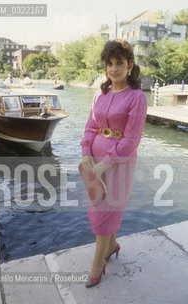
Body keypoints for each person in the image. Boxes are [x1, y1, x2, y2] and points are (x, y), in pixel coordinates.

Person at [80, 39, 148, 288]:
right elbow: (91, 127)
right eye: (109, 64)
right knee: (100, 204)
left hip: (118, 163)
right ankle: (113, 245)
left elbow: (132, 139)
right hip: (94, 160)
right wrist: (86, 153)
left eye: (119, 63)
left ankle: (98, 264)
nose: (113, 69)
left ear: (129, 65)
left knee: (104, 213)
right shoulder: (101, 94)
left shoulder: (137, 97)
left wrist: (104, 164)